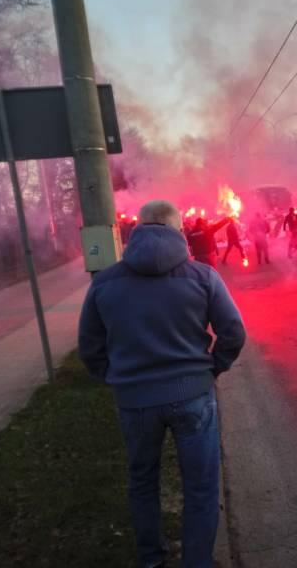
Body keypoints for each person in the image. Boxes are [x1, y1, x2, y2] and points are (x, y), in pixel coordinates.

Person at [78, 200, 246, 568]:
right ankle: (198, 561)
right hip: (193, 396)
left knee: (142, 481)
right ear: (178, 230)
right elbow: (233, 331)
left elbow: (89, 347)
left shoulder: (105, 282)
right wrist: (213, 368)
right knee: (200, 488)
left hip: (135, 400)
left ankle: (152, 559)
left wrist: (115, 378)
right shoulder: (202, 277)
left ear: (137, 229)